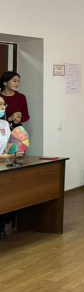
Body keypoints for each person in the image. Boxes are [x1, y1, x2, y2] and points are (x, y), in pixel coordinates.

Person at [0, 96, 25, 240]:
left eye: (4, 104)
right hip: (3, 162)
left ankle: (2, 225)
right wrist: (7, 155)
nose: (3, 107)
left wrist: (17, 151)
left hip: (4, 166)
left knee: (16, 195)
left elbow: (10, 145)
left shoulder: (4, 124)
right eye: (0, 104)